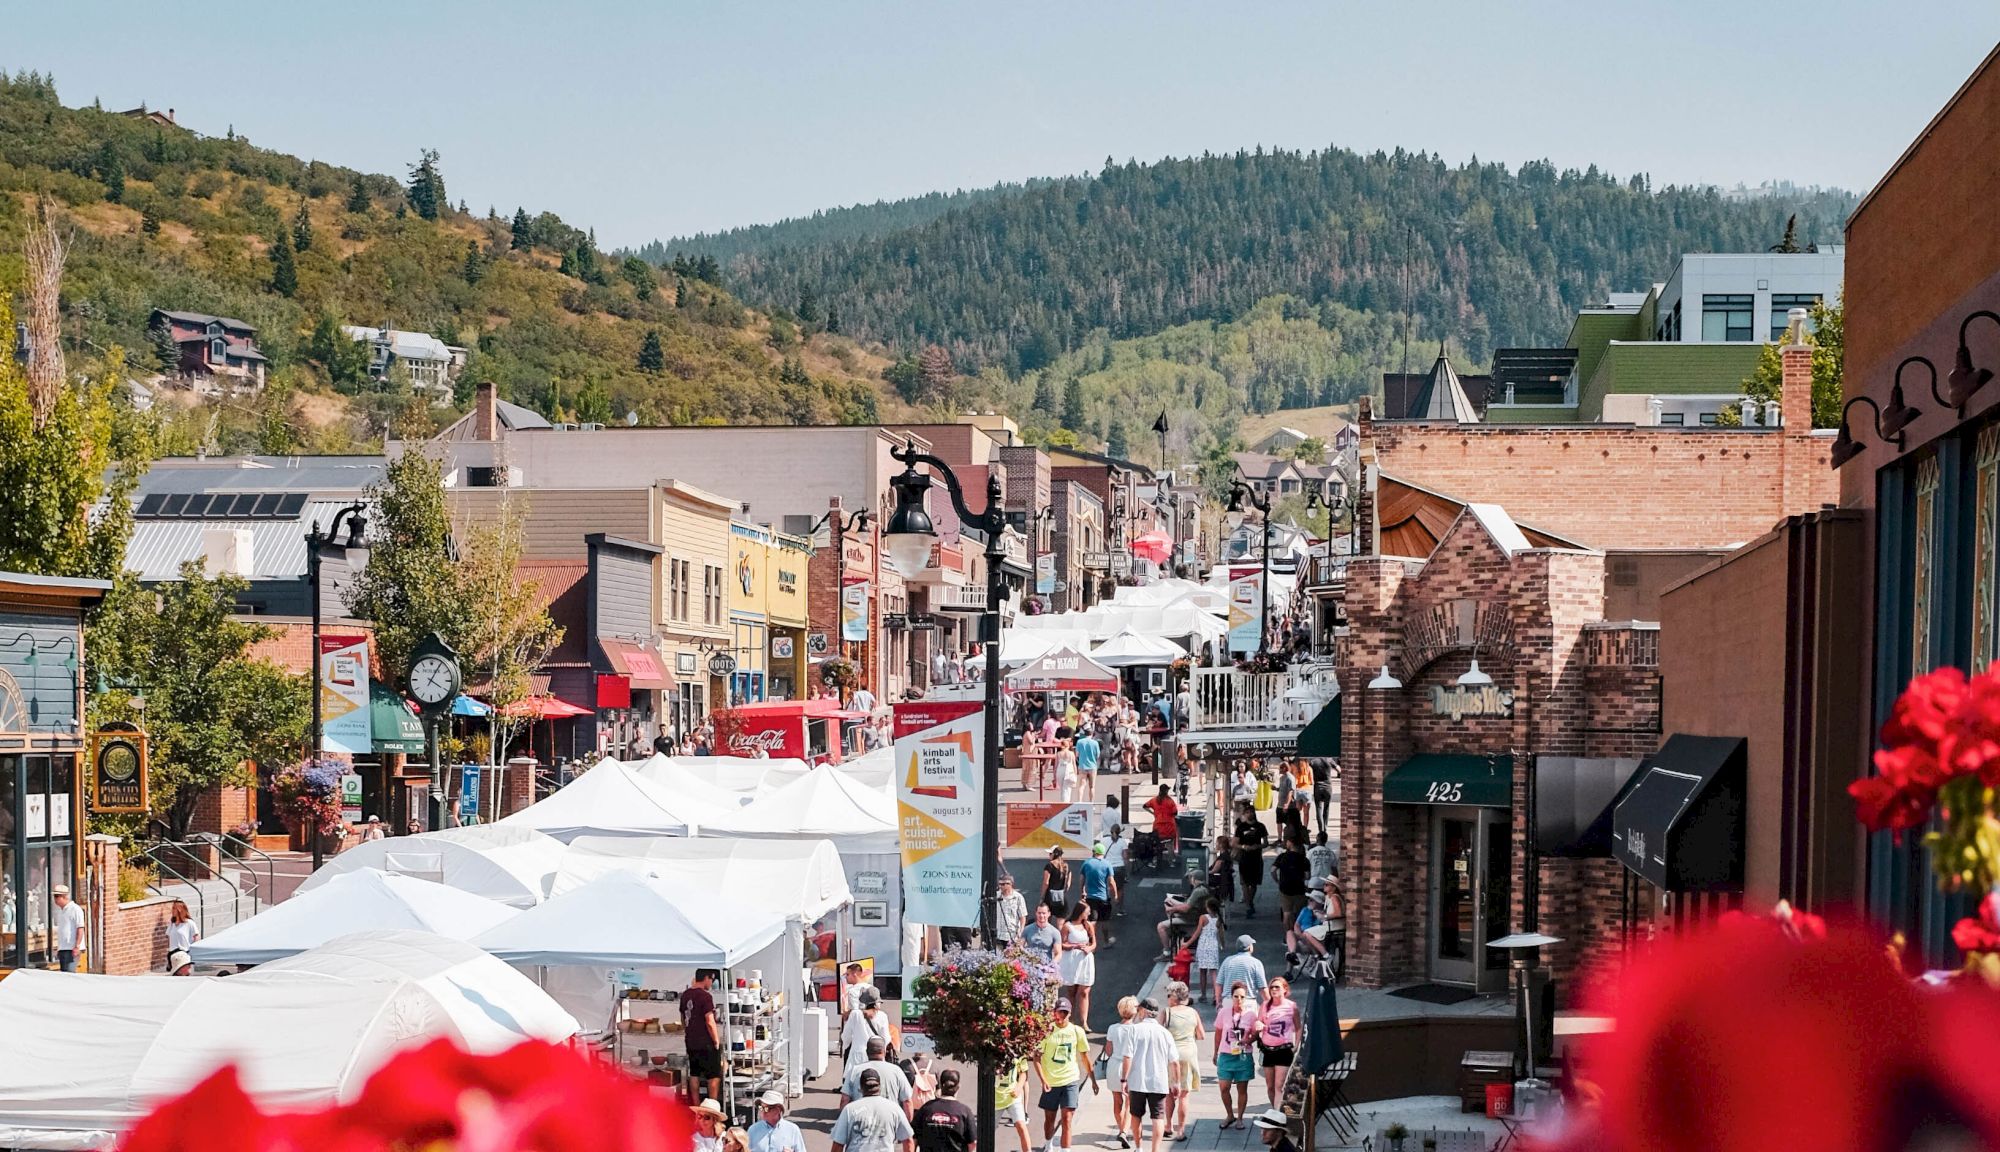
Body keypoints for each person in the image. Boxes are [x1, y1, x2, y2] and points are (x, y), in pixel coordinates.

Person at [1033, 997, 1096, 1152]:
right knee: (1050, 1118)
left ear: (1069, 1014)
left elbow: (1085, 1057)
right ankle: (1048, 1145)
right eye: (1059, 1012)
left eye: (1065, 1013)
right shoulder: (1047, 1031)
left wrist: (1093, 1080)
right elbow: (1036, 1057)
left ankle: (1065, 1150)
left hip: (1070, 1080)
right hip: (1051, 1082)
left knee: (1067, 1118)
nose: (1061, 1016)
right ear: (1054, 1013)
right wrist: (1043, 1080)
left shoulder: (1076, 1031)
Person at [1121, 998, 1179, 1152]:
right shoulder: (1165, 1033)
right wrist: (1176, 1083)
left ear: (1144, 1011)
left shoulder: (1134, 1030)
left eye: (1139, 1009)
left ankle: (1139, 1147)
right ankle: (1155, 1149)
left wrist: (1123, 1079)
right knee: (1158, 1117)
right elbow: (1174, 1062)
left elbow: (1128, 1057)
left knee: (1136, 1115)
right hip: (1158, 1081)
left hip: (1137, 1080)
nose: (1137, 1012)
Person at [1211, 982, 1262, 1129]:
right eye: (1236, 996)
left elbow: (1255, 1035)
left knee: (1242, 1088)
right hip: (1226, 1054)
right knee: (1224, 1087)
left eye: (1242, 997)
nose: (1239, 999)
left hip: (1243, 1055)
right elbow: (1218, 1033)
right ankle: (1229, 1114)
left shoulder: (1251, 1015)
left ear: (1246, 999)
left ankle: (1240, 1118)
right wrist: (1215, 1052)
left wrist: (1249, 1039)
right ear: (1231, 997)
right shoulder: (1224, 1012)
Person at [1161, 982, 1206, 1142]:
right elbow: (1201, 1035)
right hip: (1189, 1054)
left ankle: (1168, 1126)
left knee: (1169, 1093)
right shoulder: (1193, 1012)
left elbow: (1160, 1035)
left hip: (1171, 1056)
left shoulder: (1166, 1013)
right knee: (1184, 1095)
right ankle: (1181, 1130)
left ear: (1173, 997)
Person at [832, 1068, 915, 1152]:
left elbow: (838, 1145)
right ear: (880, 1086)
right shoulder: (894, 1109)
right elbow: (908, 1141)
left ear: (860, 1087)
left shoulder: (850, 1110)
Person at [842, 1035, 915, 1117]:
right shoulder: (896, 1071)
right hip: (889, 1121)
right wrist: (905, 1125)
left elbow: (845, 1099)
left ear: (867, 1052)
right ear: (884, 1051)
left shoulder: (854, 1071)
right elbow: (907, 1101)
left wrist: (844, 1122)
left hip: (861, 1121)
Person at [1100, 996, 1138, 1147]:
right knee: (1130, 1101)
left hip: (1114, 1065)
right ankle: (1124, 1131)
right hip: (1130, 1066)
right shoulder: (1135, 1029)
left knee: (1117, 1100)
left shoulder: (1112, 1028)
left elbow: (1108, 1050)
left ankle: (1121, 1128)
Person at [682, 969, 723, 1103]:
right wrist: (716, 1041)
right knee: (713, 1076)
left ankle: (696, 1107)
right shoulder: (705, 996)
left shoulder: (685, 994)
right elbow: (710, 1021)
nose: (711, 983)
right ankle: (712, 1108)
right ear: (706, 978)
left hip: (691, 1040)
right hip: (705, 1042)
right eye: (711, 980)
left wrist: (688, 1031)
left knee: (694, 1074)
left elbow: (683, 1018)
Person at [1257, 978, 1298, 1108]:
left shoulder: (1291, 1006)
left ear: (1285, 989)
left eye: (1277, 987)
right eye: (1272, 987)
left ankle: (1276, 1115)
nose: (1273, 989)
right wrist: (1258, 1026)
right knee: (1270, 1086)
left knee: (1279, 1085)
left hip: (1283, 1049)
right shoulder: (1265, 1005)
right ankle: (1276, 1109)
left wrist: (1296, 1045)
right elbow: (1258, 1022)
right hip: (1267, 1049)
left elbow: (1298, 1027)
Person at [913, 1069, 975, 1152]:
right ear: (958, 1087)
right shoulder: (965, 1111)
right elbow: (972, 1143)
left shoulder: (925, 1109)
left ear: (941, 1086)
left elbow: (913, 1139)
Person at [1058, 903, 1098, 1031]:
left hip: (1085, 960)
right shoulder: (1067, 926)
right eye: (1087, 911)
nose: (1089, 914)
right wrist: (1074, 946)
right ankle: (1070, 1019)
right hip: (1071, 960)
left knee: (1084, 991)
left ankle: (1083, 1022)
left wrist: (1089, 948)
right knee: (1071, 991)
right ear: (1080, 912)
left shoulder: (1088, 925)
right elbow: (1062, 944)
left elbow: (1094, 943)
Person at [1155, 870, 1210, 958]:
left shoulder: (1198, 891)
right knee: (1170, 903)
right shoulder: (1204, 888)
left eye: (1190, 878)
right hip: (1196, 916)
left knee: (1161, 926)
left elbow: (1185, 908)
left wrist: (1171, 908)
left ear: (1194, 879)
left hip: (1191, 919)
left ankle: (1167, 952)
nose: (1189, 880)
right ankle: (1172, 940)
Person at [842, 998, 898, 1079]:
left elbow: (846, 1036)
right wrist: (882, 1050)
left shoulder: (855, 1014)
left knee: (853, 1084)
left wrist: (847, 1046)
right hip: (876, 1057)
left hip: (857, 1057)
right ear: (875, 1004)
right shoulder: (882, 1016)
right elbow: (885, 1038)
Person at [1233, 806, 1267, 915]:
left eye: (1251, 812)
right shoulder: (1241, 827)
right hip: (1244, 857)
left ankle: (1250, 901)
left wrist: (1258, 846)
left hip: (1256, 857)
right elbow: (1234, 843)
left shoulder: (1260, 826)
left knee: (1254, 883)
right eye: (1247, 812)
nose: (1249, 814)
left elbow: (1266, 842)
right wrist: (1243, 846)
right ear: (1244, 814)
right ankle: (1248, 905)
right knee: (1244, 883)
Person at [1216, 936, 1269, 1003]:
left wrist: (1218, 1001)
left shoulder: (1227, 961)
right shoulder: (1256, 963)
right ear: (1249, 947)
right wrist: (1269, 1004)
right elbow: (1262, 988)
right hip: (1248, 1002)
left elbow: (1219, 984)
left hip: (1229, 1001)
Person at [1272, 835, 1309, 930]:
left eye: (1287, 842)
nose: (1286, 843)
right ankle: (1297, 933)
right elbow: (1307, 876)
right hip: (1299, 888)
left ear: (1291, 843)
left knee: (1287, 913)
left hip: (1285, 887)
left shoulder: (1282, 857)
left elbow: (1273, 870)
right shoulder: (1304, 859)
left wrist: (1277, 880)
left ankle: (1288, 934)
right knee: (1299, 912)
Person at [995, 1059, 1032, 1152]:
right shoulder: (992, 1050)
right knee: (987, 1133)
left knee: (1021, 1126)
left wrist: (1019, 1087)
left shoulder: (1017, 1050)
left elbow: (1023, 1072)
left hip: (1013, 1097)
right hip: (995, 1098)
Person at [1193, 897, 1223, 1004]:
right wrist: (1222, 945)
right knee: (1214, 972)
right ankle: (1216, 996)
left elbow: (1197, 932)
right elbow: (1221, 934)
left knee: (1202, 971)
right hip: (1213, 946)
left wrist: (1187, 943)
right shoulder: (1219, 919)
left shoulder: (1203, 918)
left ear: (1208, 908)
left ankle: (1203, 995)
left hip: (1203, 945)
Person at [1080, 842, 1118, 924]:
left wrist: (1082, 891)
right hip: (1103, 897)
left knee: (1092, 921)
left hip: (1090, 897)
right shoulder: (1107, 864)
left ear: (1094, 852)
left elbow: (1082, 879)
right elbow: (1111, 882)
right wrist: (1115, 895)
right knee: (1105, 921)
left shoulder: (1087, 863)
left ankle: (1092, 936)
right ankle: (1105, 937)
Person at [50, 885, 85, 972]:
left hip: (72, 949)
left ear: (64, 896)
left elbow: (80, 928)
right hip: (64, 949)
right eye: (54, 896)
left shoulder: (75, 909)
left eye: (57, 896)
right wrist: (59, 948)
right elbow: (63, 931)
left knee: (70, 974)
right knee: (64, 974)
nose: (55, 899)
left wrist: (77, 946)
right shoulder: (61, 912)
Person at [1143, 786, 1181, 858]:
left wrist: (1153, 813)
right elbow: (1175, 813)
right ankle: (1171, 862)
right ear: (1167, 791)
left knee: (1157, 844)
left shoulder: (1154, 800)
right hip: (1169, 826)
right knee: (1170, 845)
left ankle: (1156, 860)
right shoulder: (1170, 801)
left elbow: (1145, 806)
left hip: (1157, 826)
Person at [993, 873, 1028, 948]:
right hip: (998, 934)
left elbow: (1023, 917)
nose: (1002, 886)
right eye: (1000, 884)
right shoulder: (996, 896)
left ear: (1011, 884)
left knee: (1011, 958)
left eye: (1005, 884)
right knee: (998, 958)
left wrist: (1021, 931)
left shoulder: (1018, 897)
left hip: (1012, 935)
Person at [1102, 826, 1129, 915]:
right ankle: (1120, 909)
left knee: (1108, 888)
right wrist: (1127, 871)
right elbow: (1125, 857)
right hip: (1119, 867)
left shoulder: (1104, 840)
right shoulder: (1122, 842)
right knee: (1120, 888)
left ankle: (1106, 908)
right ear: (1119, 832)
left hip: (1107, 867)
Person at [1039, 848, 1073, 916]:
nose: (1049, 855)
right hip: (1061, 897)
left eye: (1050, 854)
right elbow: (1068, 884)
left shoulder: (1049, 866)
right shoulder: (1066, 866)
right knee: (1060, 924)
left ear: (1054, 854)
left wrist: (1042, 896)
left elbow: (1046, 883)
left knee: (1047, 920)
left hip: (1049, 896)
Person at [1206, 835, 1236, 908]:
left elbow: (1214, 870)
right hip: (1225, 880)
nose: (1215, 844)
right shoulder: (1227, 855)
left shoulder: (1222, 857)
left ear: (1221, 845)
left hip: (1220, 881)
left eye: (1216, 843)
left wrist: (1205, 872)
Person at [1074, 728, 1099, 800]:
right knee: (1092, 787)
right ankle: (1091, 803)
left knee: (1081, 786)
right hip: (1092, 766)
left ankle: (1080, 802)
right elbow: (1097, 755)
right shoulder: (1095, 743)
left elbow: (1077, 754)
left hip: (1082, 766)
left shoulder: (1079, 742)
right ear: (1092, 734)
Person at [1310, 759, 1334, 834]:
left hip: (1318, 787)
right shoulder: (1329, 759)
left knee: (1319, 809)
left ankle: (1321, 830)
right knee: (1326, 808)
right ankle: (1325, 829)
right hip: (1328, 787)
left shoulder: (1313, 761)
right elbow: (1339, 769)